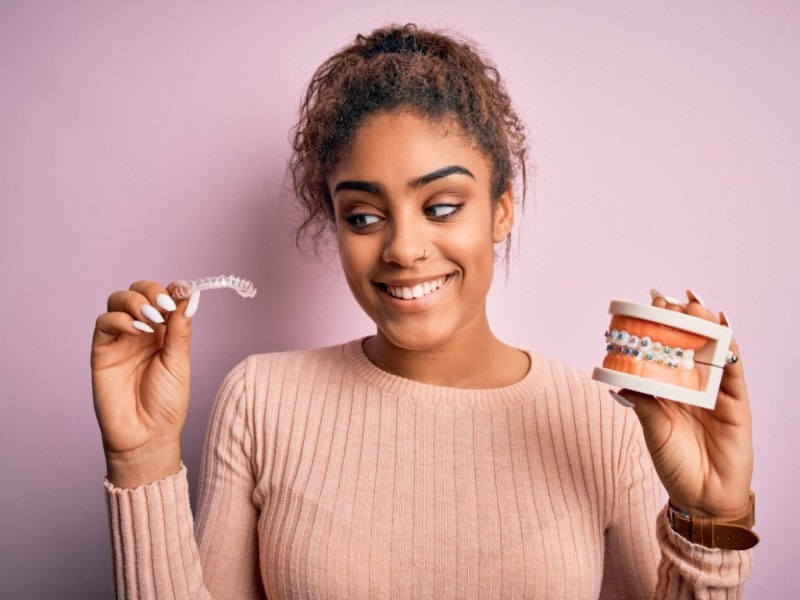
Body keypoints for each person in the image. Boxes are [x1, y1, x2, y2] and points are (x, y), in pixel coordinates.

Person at [91, 24, 756, 599]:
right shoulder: (261, 401)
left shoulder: (603, 425)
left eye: (441, 207)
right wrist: (143, 457)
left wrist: (709, 521)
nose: (404, 248)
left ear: (502, 209)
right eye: (364, 215)